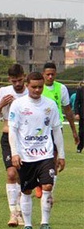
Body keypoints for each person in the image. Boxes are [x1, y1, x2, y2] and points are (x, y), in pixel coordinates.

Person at [8, 72, 65, 229]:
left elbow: (56, 130)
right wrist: (15, 153)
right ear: (27, 86)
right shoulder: (18, 105)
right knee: (26, 191)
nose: (37, 90)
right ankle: (27, 225)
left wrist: (61, 154)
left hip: (45, 154)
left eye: (40, 87)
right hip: (25, 155)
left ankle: (45, 223)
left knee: (48, 186)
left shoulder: (50, 105)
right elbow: (12, 129)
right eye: (34, 87)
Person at [0, 63, 28, 226]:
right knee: (12, 173)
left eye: (19, 80)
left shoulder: (31, 92)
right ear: (9, 80)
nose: (17, 84)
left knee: (24, 177)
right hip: (8, 137)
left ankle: (22, 211)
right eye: (14, 81)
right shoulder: (3, 93)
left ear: (24, 77)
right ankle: (14, 213)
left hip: (27, 138)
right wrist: (0, 105)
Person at [40, 62, 79, 197]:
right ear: (43, 75)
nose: (50, 77)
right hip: (39, 129)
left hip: (56, 128)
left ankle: (50, 192)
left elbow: (67, 110)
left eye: (53, 74)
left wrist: (74, 131)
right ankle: (39, 183)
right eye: (48, 74)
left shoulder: (61, 88)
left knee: (54, 160)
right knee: (39, 158)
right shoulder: (37, 87)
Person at [74, 81, 84, 153]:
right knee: (81, 132)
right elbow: (77, 102)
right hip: (82, 115)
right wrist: (77, 113)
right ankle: (80, 147)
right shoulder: (80, 90)